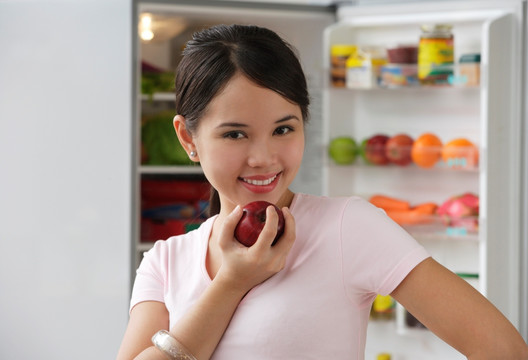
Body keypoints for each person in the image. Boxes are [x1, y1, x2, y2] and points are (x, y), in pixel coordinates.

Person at [117, 24, 528, 360]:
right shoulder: (165, 261)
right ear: (188, 137)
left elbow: (502, 349)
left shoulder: (349, 227)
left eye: (283, 129)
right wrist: (232, 284)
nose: (264, 158)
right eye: (235, 133)